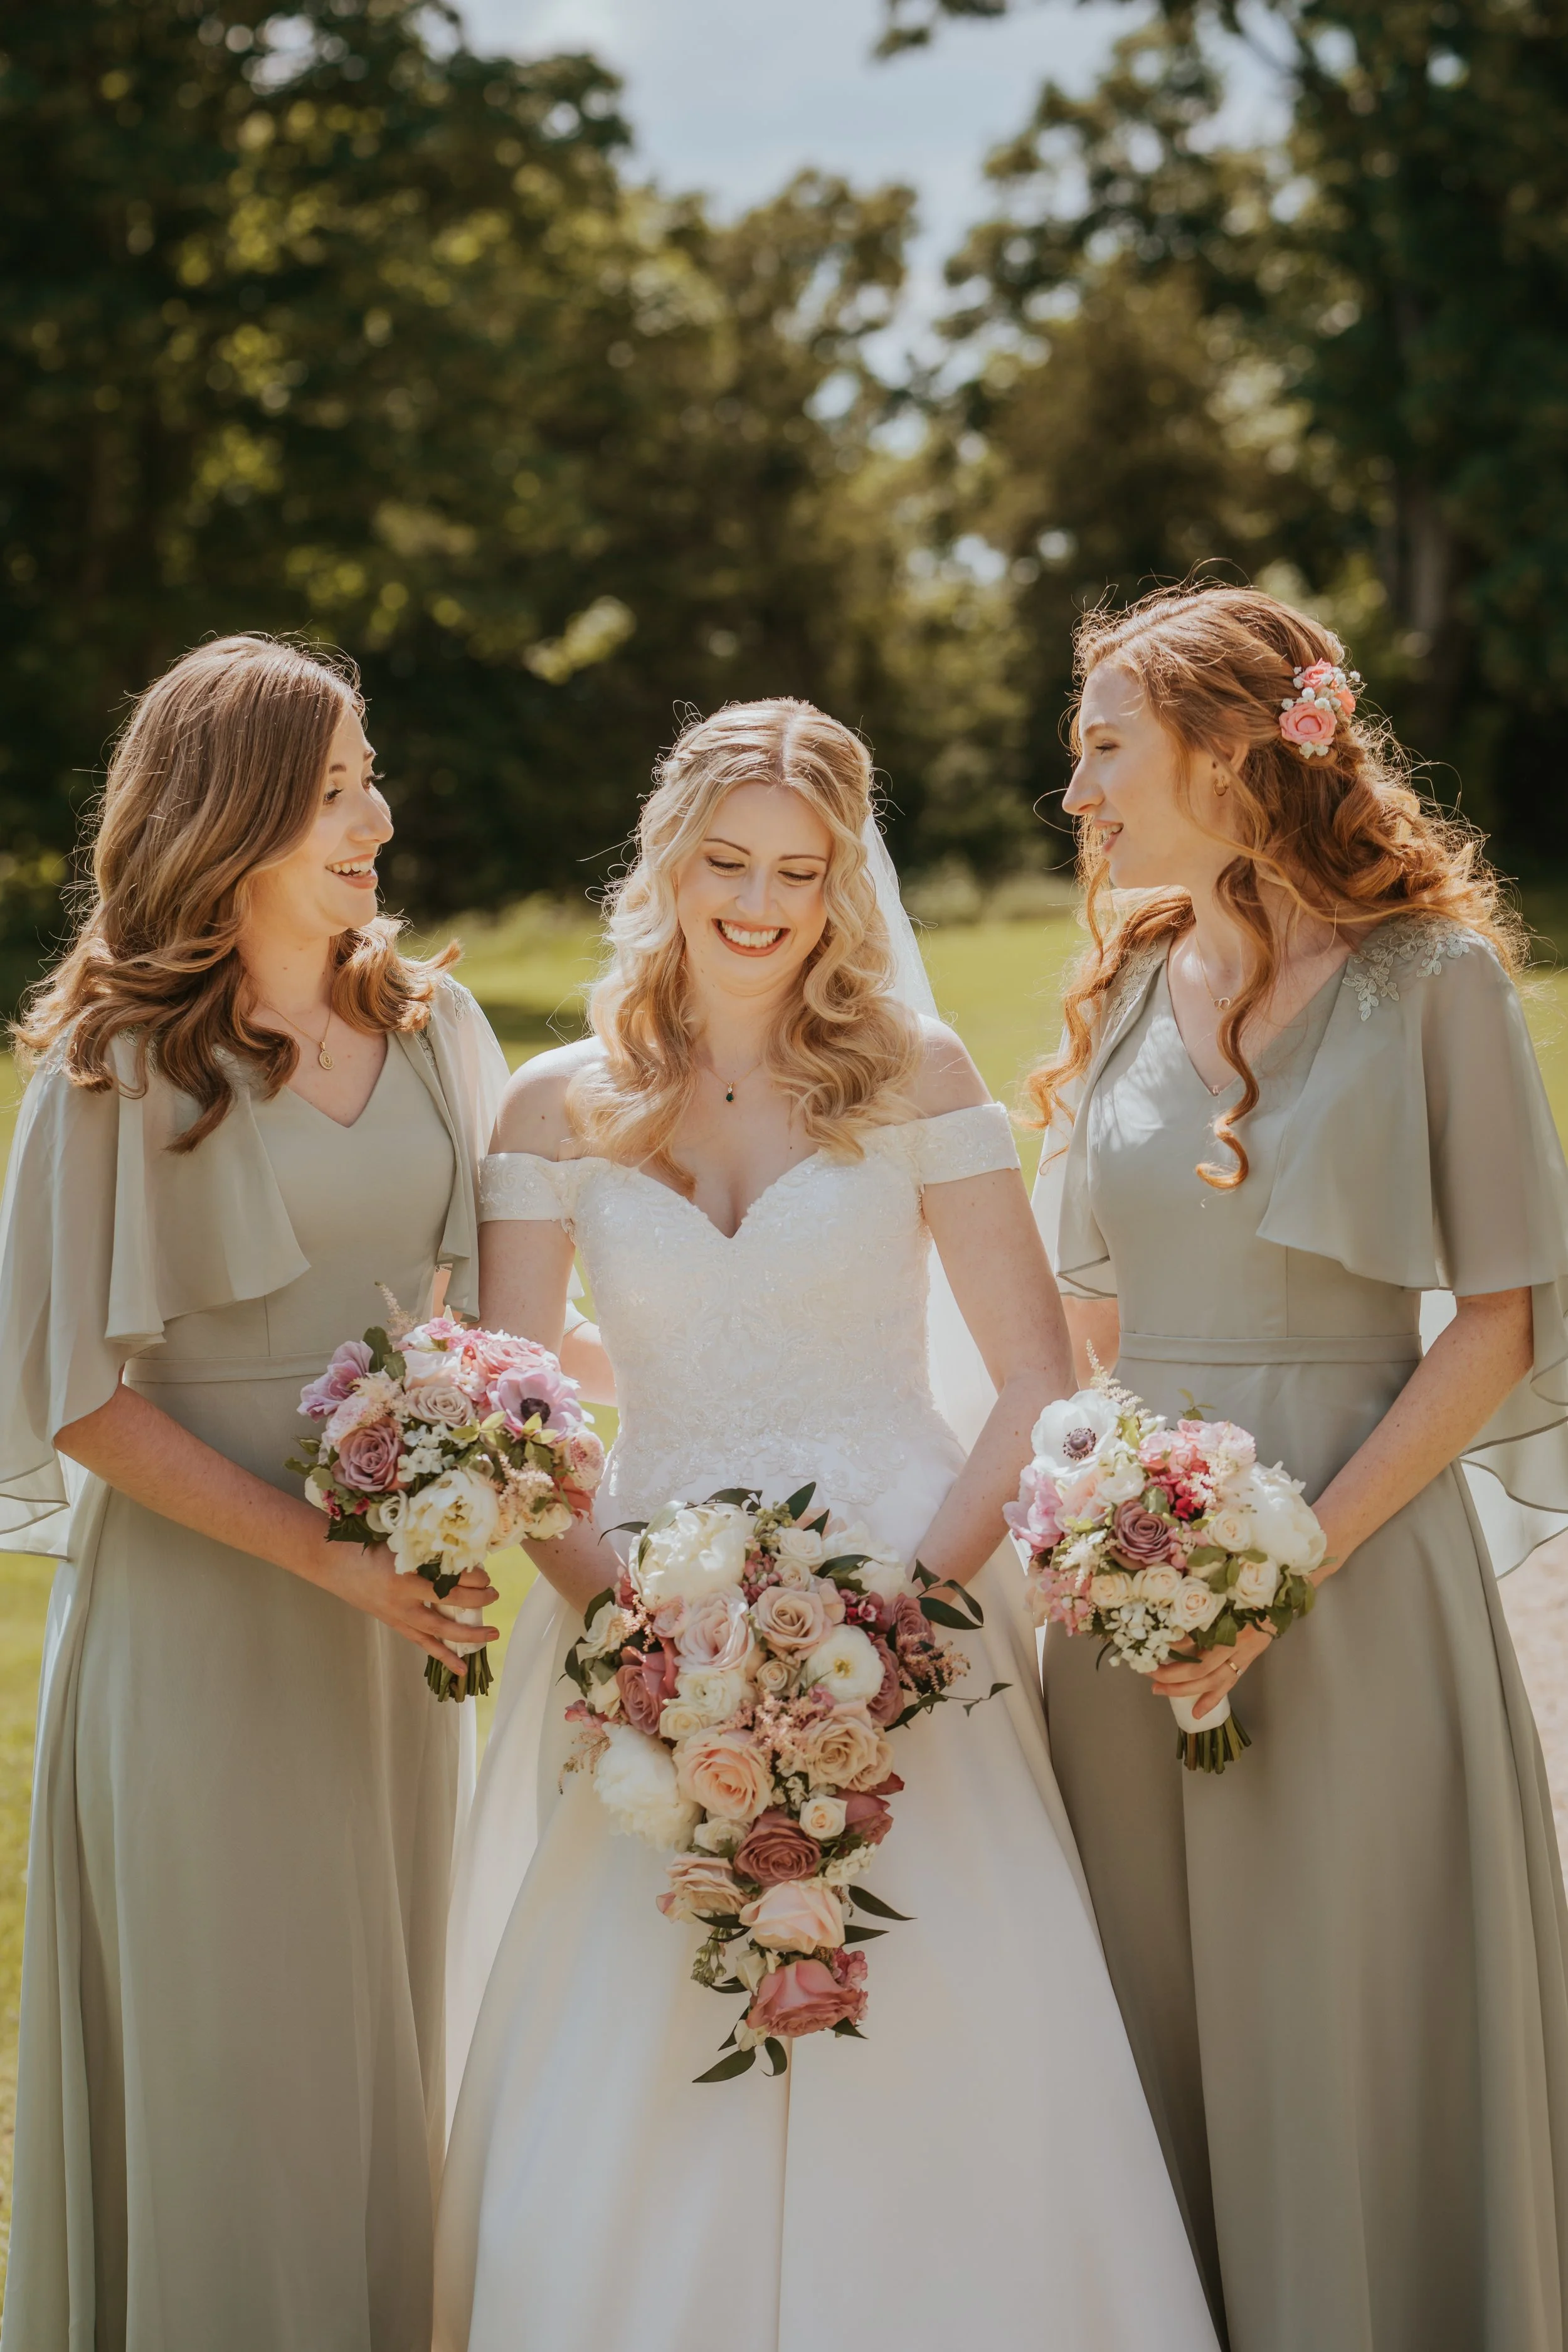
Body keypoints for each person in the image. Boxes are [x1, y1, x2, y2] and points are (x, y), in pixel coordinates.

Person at [433, 698, 1219, 2352]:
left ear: (845, 879)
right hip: (635, 1617)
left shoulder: (911, 1078)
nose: (759, 903)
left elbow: (1027, 1380)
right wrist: (632, 1634)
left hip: (905, 1608)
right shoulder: (551, 1108)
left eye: (799, 869)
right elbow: (524, 1425)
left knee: (937, 2020)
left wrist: (895, 1620)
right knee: (637, 2015)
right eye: (726, 862)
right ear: (665, 857)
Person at [1031, 583, 1568, 2352]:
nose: (1076, 788)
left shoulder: (1437, 980)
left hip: (1358, 1583)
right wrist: (1116, 1532)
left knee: (1355, 2025)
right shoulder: (1114, 980)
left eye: (1103, 744)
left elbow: (1496, 1322)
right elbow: (1087, 1332)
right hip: (1126, 1613)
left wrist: (1278, 1571)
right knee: (1156, 2023)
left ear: (1231, 749)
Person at [0, 635, 515, 2351]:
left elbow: (498, 1329)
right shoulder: (113, 1057)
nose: (374, 814)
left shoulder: (437, 1026)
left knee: (383, 2054)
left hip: (388, 1628)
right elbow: (71, 1394)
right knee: (240, 2076)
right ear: (231, 811)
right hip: (204, 1629)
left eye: (370, 775)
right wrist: (327, 1555)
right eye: (330, 786)